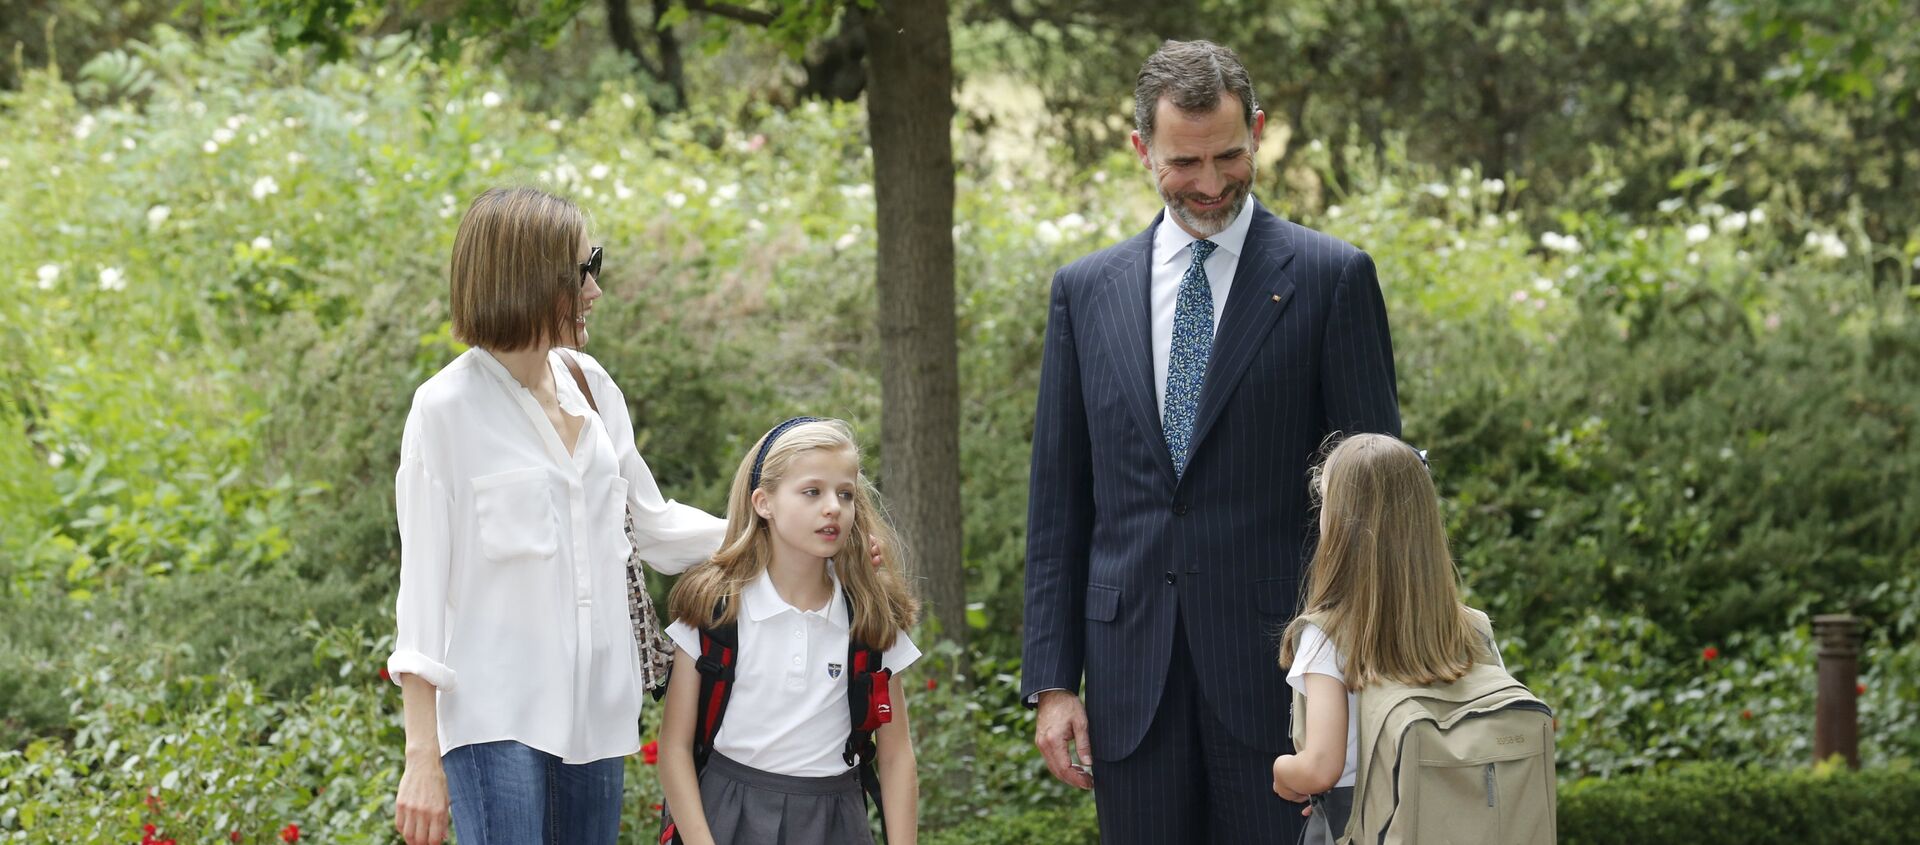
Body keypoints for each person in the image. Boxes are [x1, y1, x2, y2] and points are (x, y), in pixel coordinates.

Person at [1021, 39, 1402, 844]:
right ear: (1140, 150)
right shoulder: (1083, 293)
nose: (1210, 182)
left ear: (1258, 130)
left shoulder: (1333, 279)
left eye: (1229, 155)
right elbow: (1059, 502)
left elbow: (1379, 503)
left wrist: (1367, 669)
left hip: (1290, 688)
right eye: (1182, 162)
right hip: (1131, 692)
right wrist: (1052, 683)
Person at [386, 186, 731, 845]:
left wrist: (770, 532)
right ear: (530, 278)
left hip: (598, 717)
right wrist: (421, 757)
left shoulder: (592, 387)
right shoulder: (444, 410)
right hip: (497, 721)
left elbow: (653, 526)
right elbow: (421, 600)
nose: (596, 289)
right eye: (584, 268)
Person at [657, 417, 921, 845]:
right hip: (726, 818)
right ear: (764, 502)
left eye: (846, 494)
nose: (833, 506)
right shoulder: (716, 611)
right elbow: (674, 749)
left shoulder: (870, 618)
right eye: (812, 491)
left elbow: (895, 756)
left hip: (837, 823)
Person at [1271, 434, 1505, 840]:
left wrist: (1283, 772)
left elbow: (1321, 766)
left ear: (1341, 525)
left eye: (1325, 503)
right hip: (1453, 822)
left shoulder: (1327, 636)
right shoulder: (1472, 628)